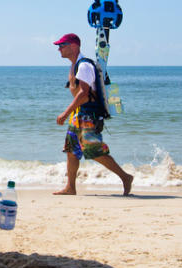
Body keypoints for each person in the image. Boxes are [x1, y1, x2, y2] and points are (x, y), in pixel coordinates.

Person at [53, 33, 134, 196]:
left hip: (88, 116)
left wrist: (65, 113)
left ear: (74, 46)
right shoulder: (74, 65)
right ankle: (70, 187)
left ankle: (125, 177)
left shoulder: (83, 66)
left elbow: (84, 93)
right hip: (79, 115)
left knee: (95, 151)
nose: (59, 49)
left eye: (62, 45)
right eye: (59, 46)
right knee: (71, 150)